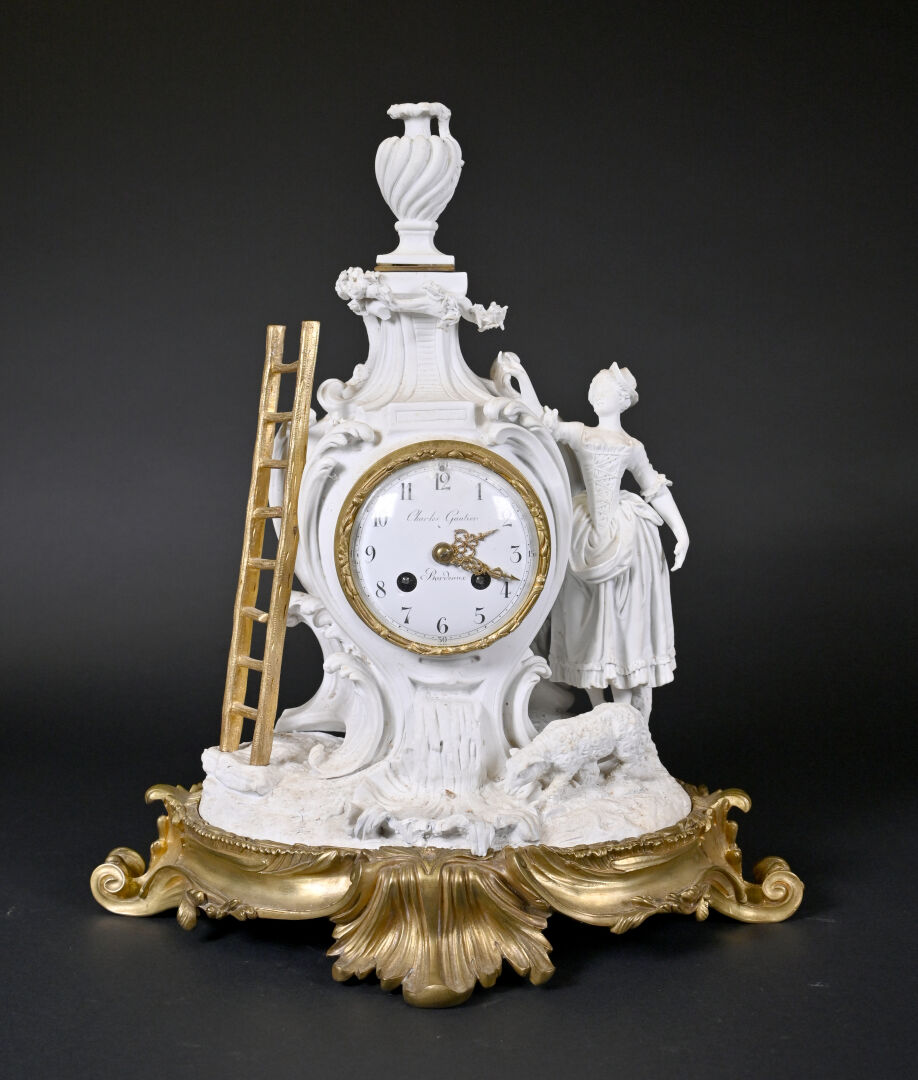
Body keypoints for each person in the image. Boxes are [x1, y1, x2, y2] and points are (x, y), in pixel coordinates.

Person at [543, 364, 689, 712]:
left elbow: (653, 487)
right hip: (585, 534)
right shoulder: (581, 433)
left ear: (623, 401)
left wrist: (681, 532)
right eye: (594, 389)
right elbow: (547, 427)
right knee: (584, 617)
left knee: (623, 618)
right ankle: (598, 708)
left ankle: (624, 707)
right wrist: (520, 383)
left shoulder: (631, 446)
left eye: (604, 390)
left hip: (625, 537)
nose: (596, 395)